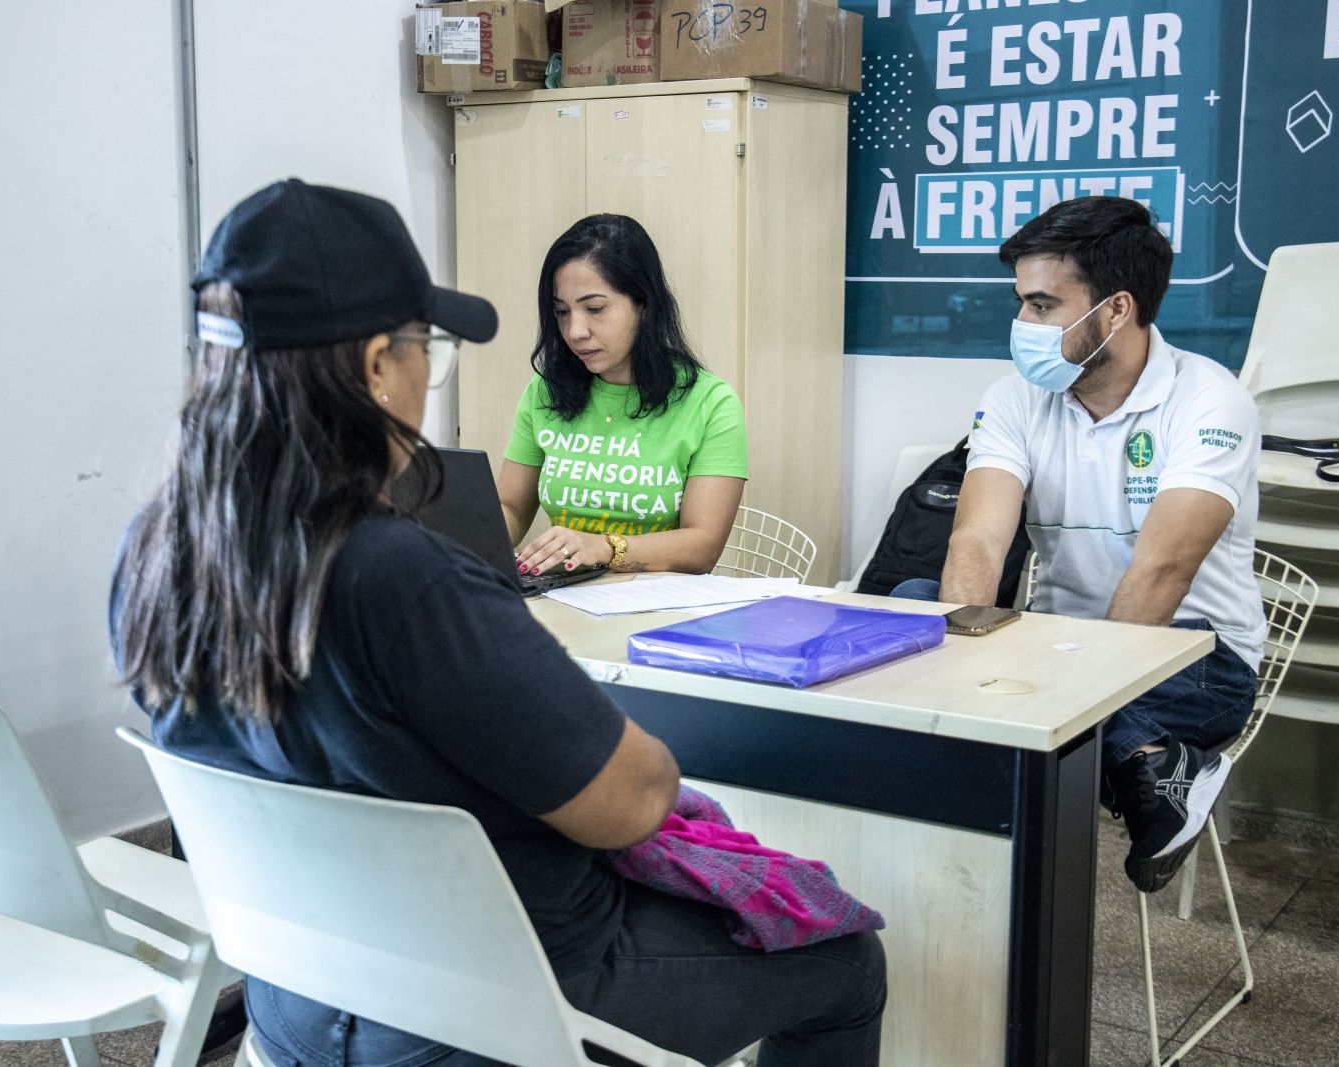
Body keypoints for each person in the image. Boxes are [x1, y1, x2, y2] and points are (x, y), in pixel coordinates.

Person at [110, 179, 884, 1066]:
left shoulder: (160, 547)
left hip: (297, 994)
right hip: (498, 999)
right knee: (846, 964)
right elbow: (634, 798)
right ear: (374, 366)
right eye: (423, 348)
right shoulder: (404, 578)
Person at [893, 196, 1264, 893]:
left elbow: (1163, 571)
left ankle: (1139, 769)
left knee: (1047, 721)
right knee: (914, 607)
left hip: (1198, 653)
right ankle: (1150, 769)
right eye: (1021, 303)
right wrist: (964, 656)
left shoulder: (1210, 402)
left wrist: (1065, 689)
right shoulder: (1013, 400)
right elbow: (977, 537)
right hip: (1057, 640)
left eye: (1040, 305)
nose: (1022, 325)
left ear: (1115, 310)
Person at [497, 214, 748, 578]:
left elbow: (702, 546)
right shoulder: (545, 391)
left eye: (595, 309)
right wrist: (465, 536)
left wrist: (602, 547)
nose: (575, 331)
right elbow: (511, 507)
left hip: (657, 606)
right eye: (562, 312)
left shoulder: (710, 403)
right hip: (564, 596)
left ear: (643, 304)